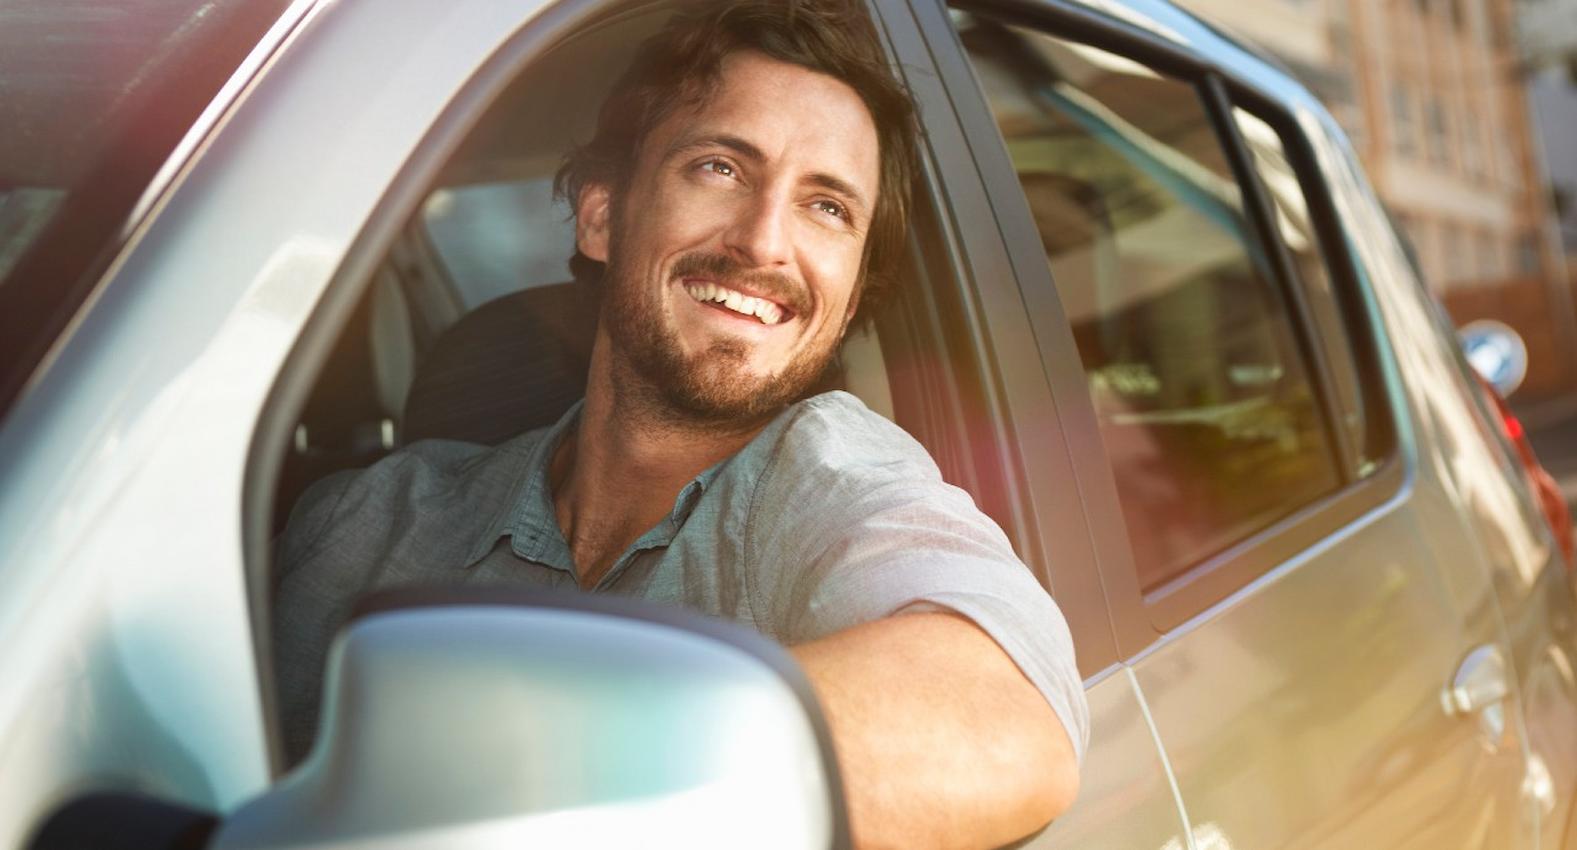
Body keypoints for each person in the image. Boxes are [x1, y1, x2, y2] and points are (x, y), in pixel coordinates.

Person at [272, 1, 1088, 846]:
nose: (765, 242)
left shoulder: (829, 485)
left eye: (828, 208)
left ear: (847, 304)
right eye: (719, 168)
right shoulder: (371, 519)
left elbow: (1002, 720)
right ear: (600, 216)